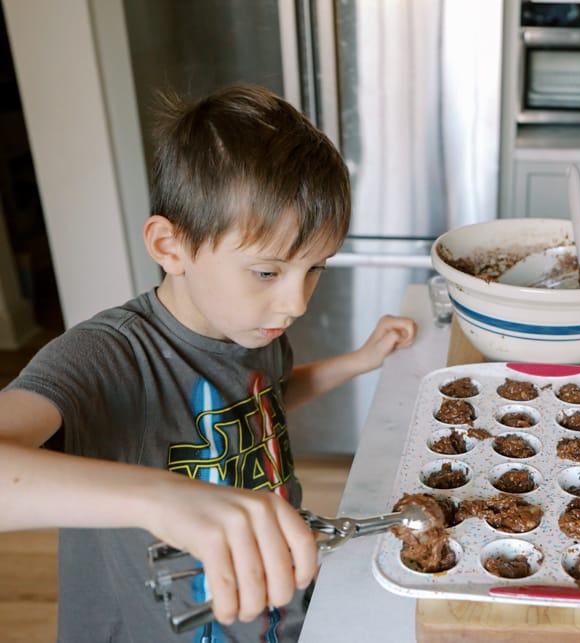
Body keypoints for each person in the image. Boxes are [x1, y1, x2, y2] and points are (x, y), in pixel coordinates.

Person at [0, 83, 417, 641]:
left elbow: (260, 401)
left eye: (315, 268)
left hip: (271, 609)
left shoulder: (250, 327)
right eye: (268, 272)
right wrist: (163, 499)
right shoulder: (108, 356)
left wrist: (357, 362)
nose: (296, 303)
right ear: (170, 247)